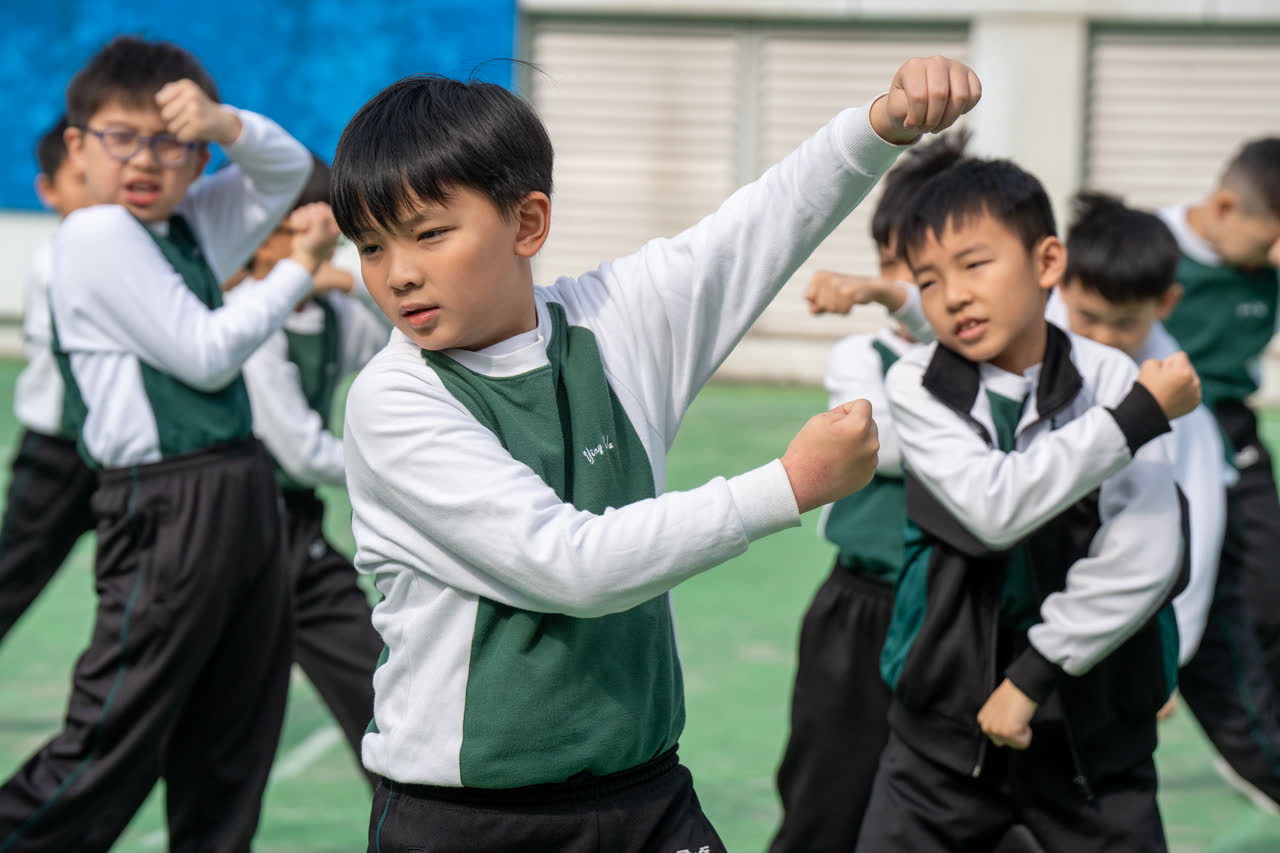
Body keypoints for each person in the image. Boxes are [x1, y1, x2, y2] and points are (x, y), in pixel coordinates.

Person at [331, 58, 980, 852]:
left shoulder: (615, 322)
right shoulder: (394, 397)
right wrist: (789, 485)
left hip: (646, 794)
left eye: (430, 233)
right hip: (469, 820)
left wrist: (880, 127)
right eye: (370, 246)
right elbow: (568, 564)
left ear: (527, 223)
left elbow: (761, 225)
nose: (398, 273)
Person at [0, 35, 331, 851]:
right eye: (122, 137)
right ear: (78, 145)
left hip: (239, 484)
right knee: (110, 738)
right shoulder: (96, 233)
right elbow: (206, 351)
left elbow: (289, 173)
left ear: (197, 157)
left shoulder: (184, 226)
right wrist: (297, 268)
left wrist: (226, 123)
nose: (146, 159)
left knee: (232, 737)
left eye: (171, 141)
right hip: (168, 500)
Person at [855, 156, 1200, 853]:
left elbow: (1146, 551)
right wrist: (1132, 422)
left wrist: (1035, 673)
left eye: (974, 264)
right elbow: (996, 508)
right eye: (928, 279)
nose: (952, 295)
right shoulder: (918, 384)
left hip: (1093, 722)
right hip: (942, 726)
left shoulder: (1110, 377)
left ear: (1047, 262)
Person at [1053, 191, 1280, 815]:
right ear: (1058, 281)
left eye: (1124, 323)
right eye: (1088, 315)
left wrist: (1168, 656)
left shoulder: (1183, 415)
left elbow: (1193, 539)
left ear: (1166, 305)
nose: (1103, 336)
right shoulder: (1024, 349)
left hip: (1121, 609)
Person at [768, 132, 963, 853]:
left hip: (960, 608)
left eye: (923, 269)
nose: (894, 283)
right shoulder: (860, 355)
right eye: (888, 264)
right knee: (828, 789)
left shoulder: (1006, 363)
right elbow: (885, 447)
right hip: (864, 606)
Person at [228, 156, 389, 780]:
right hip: (241, 530)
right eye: (300, 231)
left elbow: (399, 339)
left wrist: (347, 284)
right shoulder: (250, 319)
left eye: (329, 236)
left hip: (295, 525)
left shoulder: (328, 313)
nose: (319, 246)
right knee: (222, 721)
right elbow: (299, 450)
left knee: (375, 688)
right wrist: (398, 469)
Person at [1156, 139, 1280, 697]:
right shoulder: (1151, 246)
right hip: (1154, 426)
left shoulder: (1266, 266)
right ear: (1226, 207)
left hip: (1231, 429)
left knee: (1268, 591)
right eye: (1269, 240)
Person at [0, 116, 94, 645]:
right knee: (12, 577)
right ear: (48, 191)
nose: (97, 193)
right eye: (81, 181)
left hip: (119, 454)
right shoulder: (57, 261)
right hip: (57, 455)